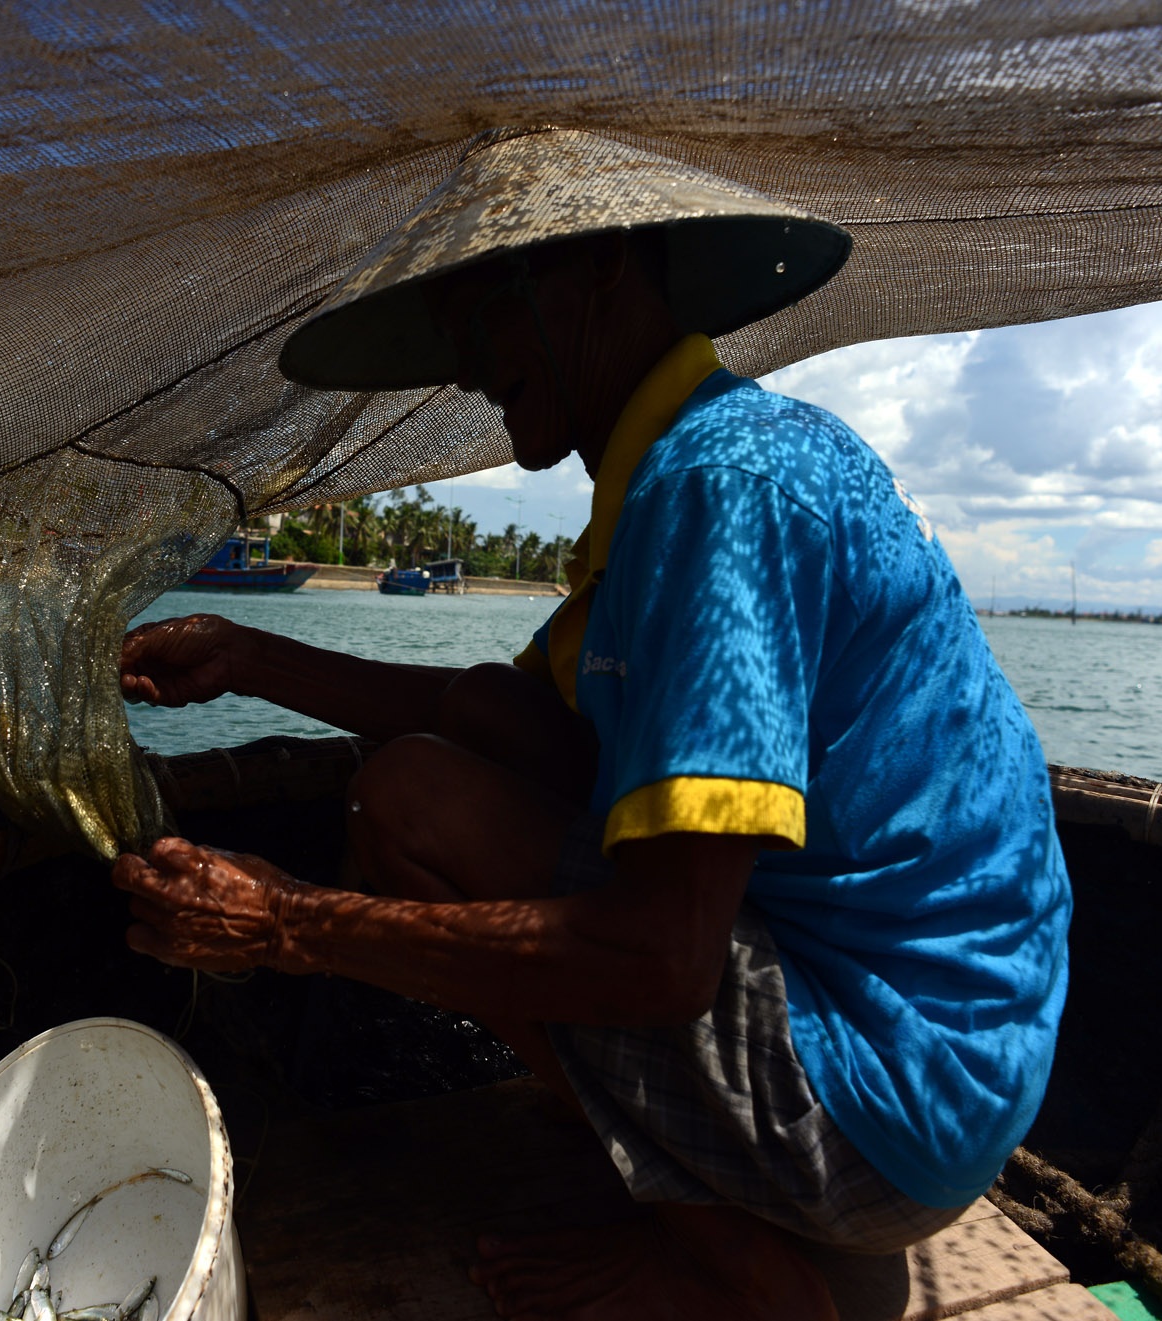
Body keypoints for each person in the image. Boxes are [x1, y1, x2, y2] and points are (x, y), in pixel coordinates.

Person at [112, 129, 1071, 1321]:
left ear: (603, 269)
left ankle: (733, 1265)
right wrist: (246, 656)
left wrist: (285, 922)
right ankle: (686, 1175)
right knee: (425, 775)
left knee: (412, 805)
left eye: (482, 310)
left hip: (889, 1099)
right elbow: (479, 709)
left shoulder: (724, 490)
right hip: (946, 1067)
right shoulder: (685, 479)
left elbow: (660, 960)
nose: (466, 365)